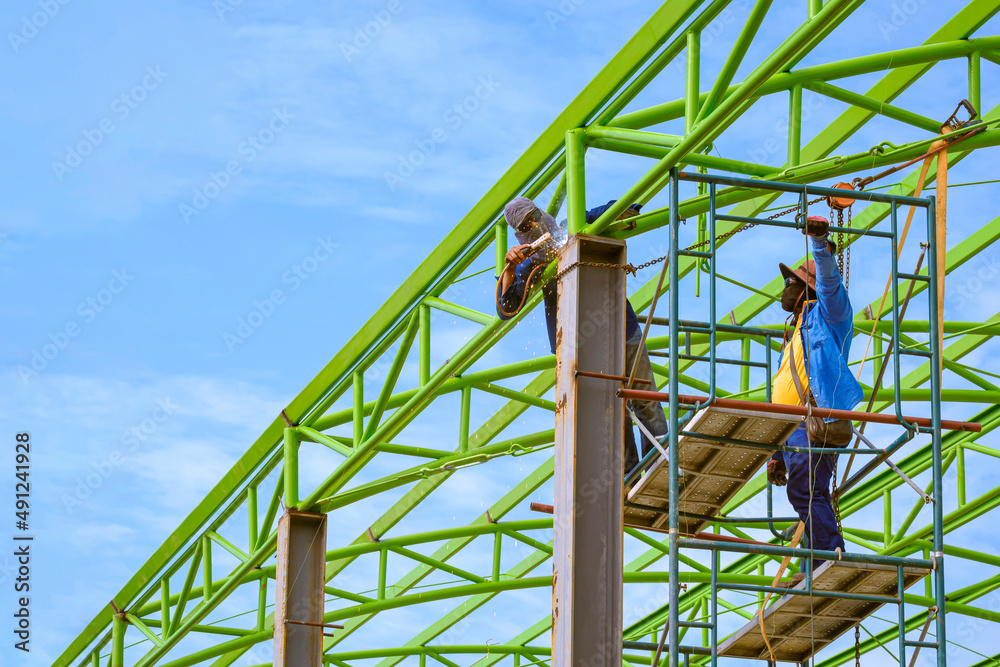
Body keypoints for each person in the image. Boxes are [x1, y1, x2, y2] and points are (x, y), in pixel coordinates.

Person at [496, 197, 666, 475]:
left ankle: (660, 467)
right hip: (586, 346)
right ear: (520, 234)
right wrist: (512, 267)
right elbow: (506, 308)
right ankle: (631, 477)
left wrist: (625, 212)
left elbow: (613, 209)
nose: (535, 226)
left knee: (645, 397)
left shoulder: (572, 225)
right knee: (614, 410)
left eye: (535, 216)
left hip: (622, 327)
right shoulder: (531, 266)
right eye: (527, 225)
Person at [765, 215, 863, 577]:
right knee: (806, 492)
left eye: (791, 282)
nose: (785, 288)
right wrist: (776, 452)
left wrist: (821, 247)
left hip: (815, 420)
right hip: (792, 429)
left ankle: (829, 555)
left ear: (806, 288)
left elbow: (831, 287)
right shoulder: (793, 335)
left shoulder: (828, 318)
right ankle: (817, 558)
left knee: (806, 491)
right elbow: (779, 395)